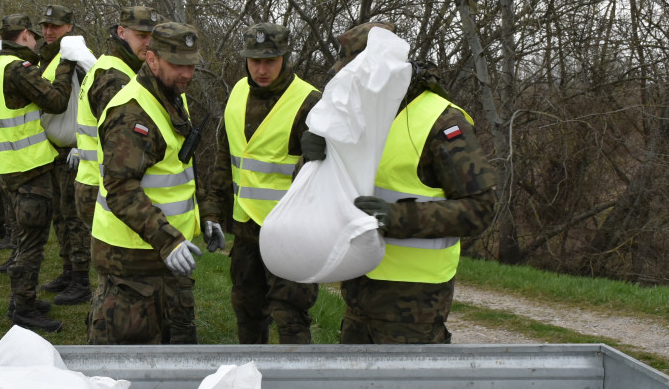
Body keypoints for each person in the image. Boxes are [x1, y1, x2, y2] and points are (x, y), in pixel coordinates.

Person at [302, 22, 497, 344]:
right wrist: (313, 161)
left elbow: (480, 209)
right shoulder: (357, 115)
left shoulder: (442, 122)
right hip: (359, 289)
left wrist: (394, 218)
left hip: (415, 302)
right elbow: (329, 193)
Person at [203, 22, 321, 344]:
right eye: (255, 60)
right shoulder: (238, 92)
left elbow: (326, 178)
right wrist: (212, 212)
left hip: (290, 234)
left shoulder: (309, 102)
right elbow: (226, 159)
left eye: (270, 60)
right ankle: (251, 381)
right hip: (245, 232)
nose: (262, 68)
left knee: (291, 316)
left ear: (285, 57)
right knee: (247, 309)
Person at [88, 22, 204, 345]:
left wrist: (206, 217)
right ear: (151, 60)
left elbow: (180, 168)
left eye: (191, 65)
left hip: (166, 258)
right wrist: (168, 240)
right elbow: (122, 190)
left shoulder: (170, 98)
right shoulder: (132, 112)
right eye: (177, 65)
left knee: (177, 359)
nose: (186, 74)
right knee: (126, 369)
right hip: (131, 264)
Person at [0, 13, 76, 331]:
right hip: (29, 168)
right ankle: (24, 308)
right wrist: (66, 63)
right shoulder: (19, 69)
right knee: (32, 243)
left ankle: (20, 299)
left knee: (26, 238)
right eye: (34, 34)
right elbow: (56, 101)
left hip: (12, 166)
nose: (39, 38)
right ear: (24, 34)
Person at [74, 6, 160, 232]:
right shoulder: (115, 77)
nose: (149, 43)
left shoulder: (114, 66)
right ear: (122, 32)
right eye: (142, 36)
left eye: (153, 36)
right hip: (103, 186)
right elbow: (120, 144)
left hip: (97, 182)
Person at [35, 4, 93, 306]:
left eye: (54, 26)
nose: (48, 31)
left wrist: (81, 147)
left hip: (74, 152)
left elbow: (93, 100)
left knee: (74, 217)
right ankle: (68, 270)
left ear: (68, 27)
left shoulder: (75, 58)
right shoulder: (52, 58)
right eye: (45, 26)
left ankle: (82, 279)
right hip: (55, 152)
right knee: (60, 214)